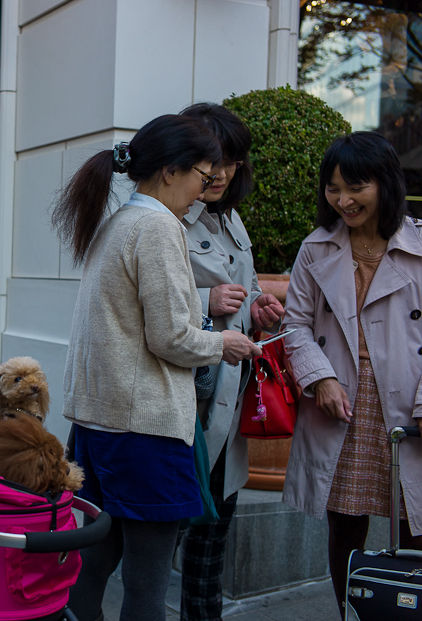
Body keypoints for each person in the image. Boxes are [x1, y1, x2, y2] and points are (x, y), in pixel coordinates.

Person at [53, 114, 260, 621]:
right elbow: (170, 337)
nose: (204, 190)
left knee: (93, 564)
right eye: (201, 176)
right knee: (147, 584)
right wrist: (223, 342)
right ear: (170, 171)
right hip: (143, 429)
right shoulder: (158, 226)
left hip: (100, 424)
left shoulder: (121, 221)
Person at [282, 131, 422, 616]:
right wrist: (319, 377)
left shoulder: (420, 246)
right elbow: (294, 323)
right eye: (333, 187)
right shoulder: (314, 250)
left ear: (384, 183)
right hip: (341, 405)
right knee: (345, 528)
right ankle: (353, 613)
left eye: (355, 186)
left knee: (417, 528)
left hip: (409, 407)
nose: (342, 199)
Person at [177, 103, 284, 620]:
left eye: (231, 160)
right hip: (183, 411)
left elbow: (245, 287)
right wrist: (205, 304)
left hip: (227, 407)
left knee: (210, 548)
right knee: (154, 543)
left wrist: (260, 305)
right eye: (209, 159)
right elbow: (128, 302)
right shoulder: (163, 216)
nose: (219, 172)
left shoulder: (231, 217)